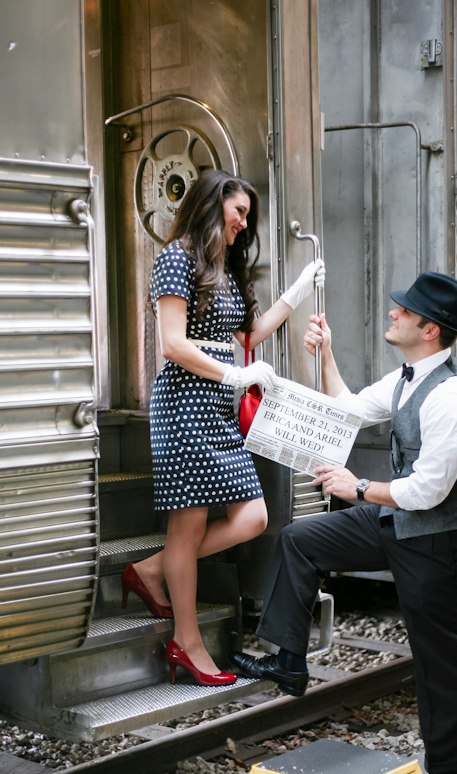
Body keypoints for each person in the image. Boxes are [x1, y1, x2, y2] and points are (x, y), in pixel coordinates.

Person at [229, 272, 457, 774]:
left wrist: (360, 486)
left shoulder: (455, 400)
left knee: (439, 653)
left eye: (404, 311)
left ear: (431, 330)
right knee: (301, 539)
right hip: (398, 521)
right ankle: (289, 659)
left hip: (438, 536)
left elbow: (428, 491)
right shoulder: (408, 378)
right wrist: (324, 354)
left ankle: (447, 769)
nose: (393, 314)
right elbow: (346, 407)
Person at [121, 170, 324, 687]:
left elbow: (248, 333)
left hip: (215, 406)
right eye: (239, 212)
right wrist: (237, 372)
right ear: (213, 207)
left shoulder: (222, 269)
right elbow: (172, 343)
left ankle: (150, 570)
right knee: (187, 528)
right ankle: (186, 644)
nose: (243, 224)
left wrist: (297, 293)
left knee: (252, 516)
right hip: (185, 404)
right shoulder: (176, 259)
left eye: (246, 216)